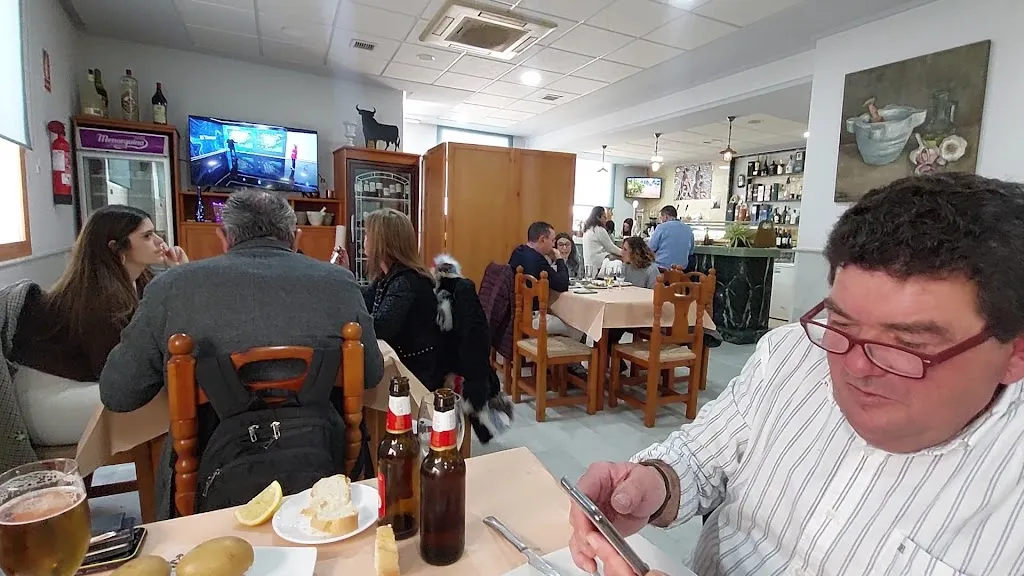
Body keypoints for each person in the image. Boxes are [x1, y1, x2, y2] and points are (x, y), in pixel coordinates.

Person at [568, 173, 1024, 576]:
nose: (857, 366)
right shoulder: (793, 355)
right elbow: (703, 452)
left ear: (1014, 352)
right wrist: (655, 484)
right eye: (841, 325)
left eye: (906, 346)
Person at [99, 189, 384, 519]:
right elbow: (370, 373)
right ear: (296, 237)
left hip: (209, 473)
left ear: (223, 238)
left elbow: (119, 392)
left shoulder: (172, 286)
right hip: (326, 464)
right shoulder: (340, 282)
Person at [8, 205, 187, 448]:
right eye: (147, 236)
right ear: (115, 248)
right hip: (51, 403)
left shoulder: (139, 282)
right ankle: (162, 480)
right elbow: (116, 374)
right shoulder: (97, 299)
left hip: (84, 385)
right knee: (172, 398)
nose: (159, 242)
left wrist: (180, 274)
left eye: (155, 233)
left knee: (175, 391)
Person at [360, 208, 443, 390]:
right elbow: (363, 301)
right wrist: (342, 275)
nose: (364, 239)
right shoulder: (387, 276)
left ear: (383, 242)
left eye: (368, 234)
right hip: (402, 361)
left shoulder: (406, 280)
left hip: (415, 372)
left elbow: (381, 327)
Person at [509, 222, 579, 338]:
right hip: (534, 317)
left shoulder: (519, 251)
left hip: (518, 312)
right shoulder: (537, 260)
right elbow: (562, 284)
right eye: (552, 241)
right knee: (578, 326)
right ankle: (583, 354)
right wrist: (559, 259)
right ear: (542, 240)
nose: (553, 245)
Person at [647, 205, 694, 271]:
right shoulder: (688, 229)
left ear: (666, 216)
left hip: (662, 269)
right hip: (681, 270)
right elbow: (691, 251)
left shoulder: (661, 227)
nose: (661, 220)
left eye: (661, 217)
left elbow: (650, 248)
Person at [582, 207, 621, 276]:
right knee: (618, 260)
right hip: (598, 264)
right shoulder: (599, 229)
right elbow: (611, 248)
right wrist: (625, 253)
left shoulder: (587, 229)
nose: (606, 220)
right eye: (604, 217)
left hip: (588, 264)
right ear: (598, 217)